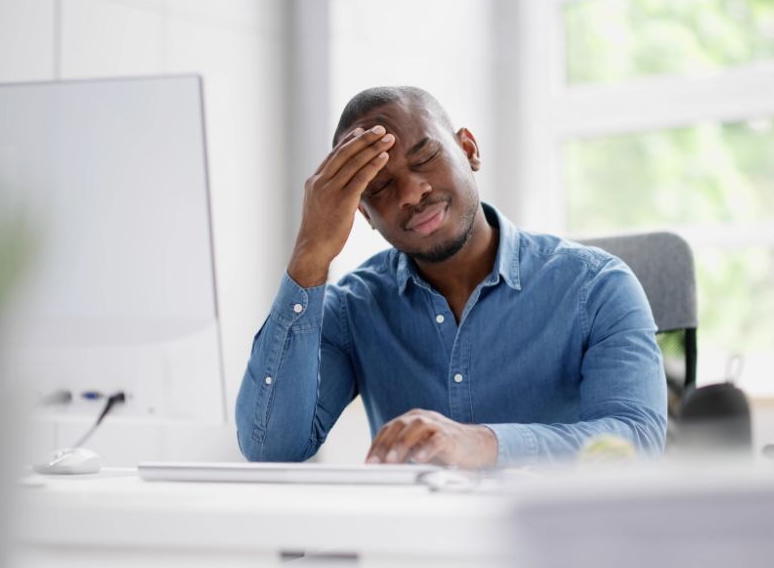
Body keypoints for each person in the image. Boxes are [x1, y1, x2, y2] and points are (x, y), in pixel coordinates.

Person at [235, 86, 666, 468]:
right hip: (417, 550)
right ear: (362, 213)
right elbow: (271, 448)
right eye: (379, 189)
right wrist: (311, 255)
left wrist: (485, 443)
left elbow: (637, 442)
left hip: (557, 551)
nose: (411, 193)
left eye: (425, 157)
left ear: (469, 149)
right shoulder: (355, 307)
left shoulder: (598, 286)